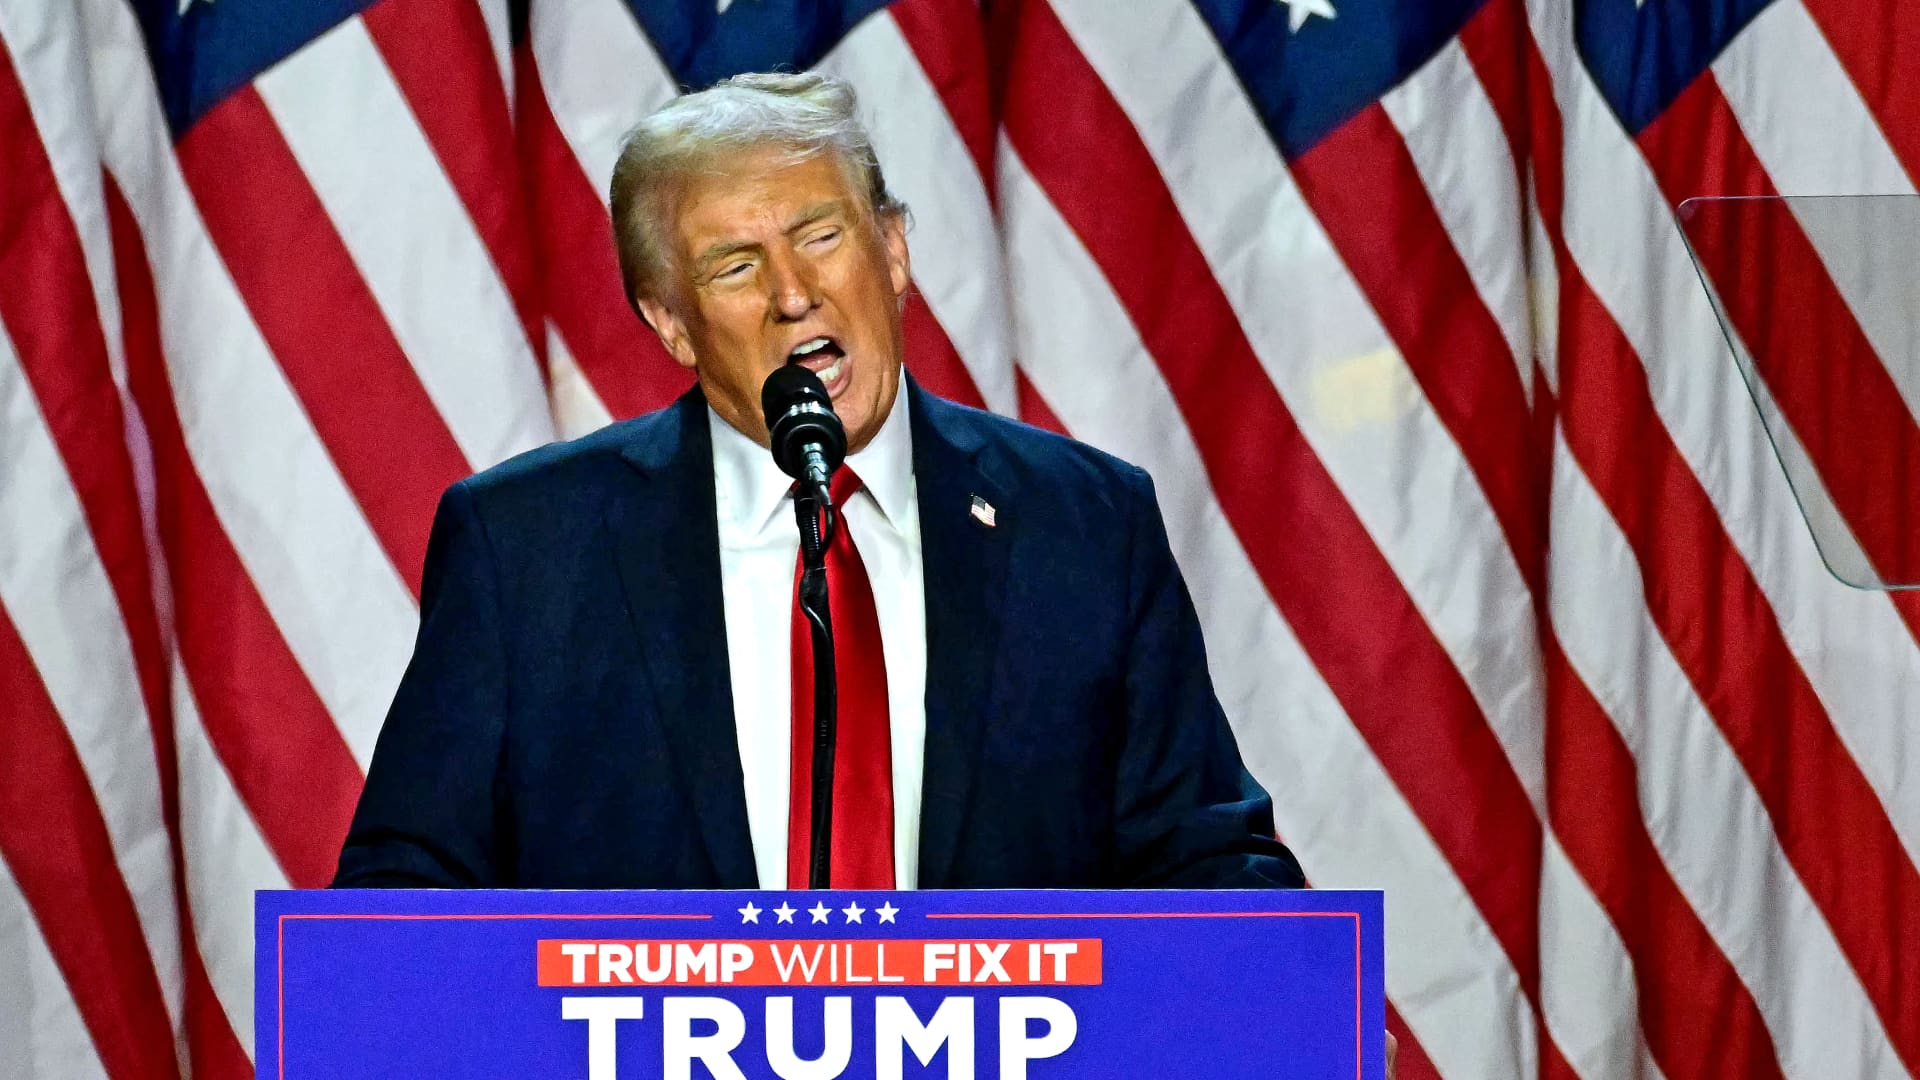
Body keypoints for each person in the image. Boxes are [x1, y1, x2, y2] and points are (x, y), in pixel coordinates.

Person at [332, 71, 1303, 894]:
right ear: (670, 320)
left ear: (892, 251)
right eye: (735, 264)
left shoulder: (1083, 523)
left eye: (821, 236)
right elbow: (405, 890)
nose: (793, 292)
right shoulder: (528, 546)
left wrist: (1298, 998)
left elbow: (1206, 854)